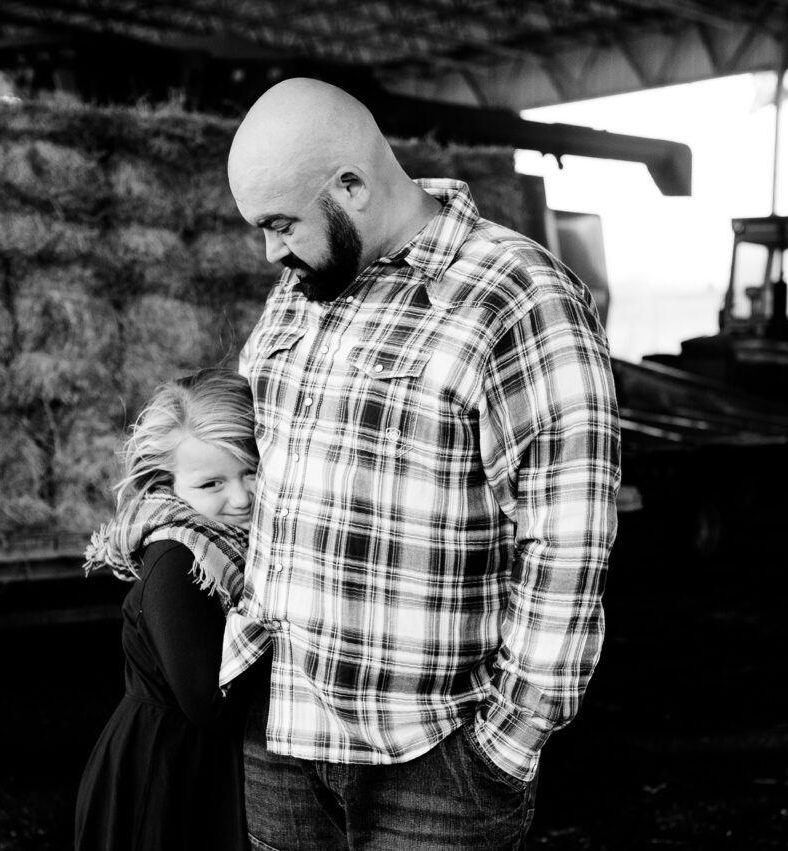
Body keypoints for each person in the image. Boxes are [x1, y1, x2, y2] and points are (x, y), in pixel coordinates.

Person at [221, 77, 621, 850]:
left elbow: (568, 540)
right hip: (278, 735)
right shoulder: (302, 287)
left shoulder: (517, 292)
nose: (270, 251)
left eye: (280, 224)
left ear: (351, 186)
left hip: (431, 758)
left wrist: (505, 743)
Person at [75, 369, 257, 851]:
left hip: (199, 768)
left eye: (251, 471)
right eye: (212, 483)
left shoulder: (238, 548)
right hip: (164, 780)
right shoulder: (179, 557)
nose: (241, 498)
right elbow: (211, 706)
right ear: (168, 485)